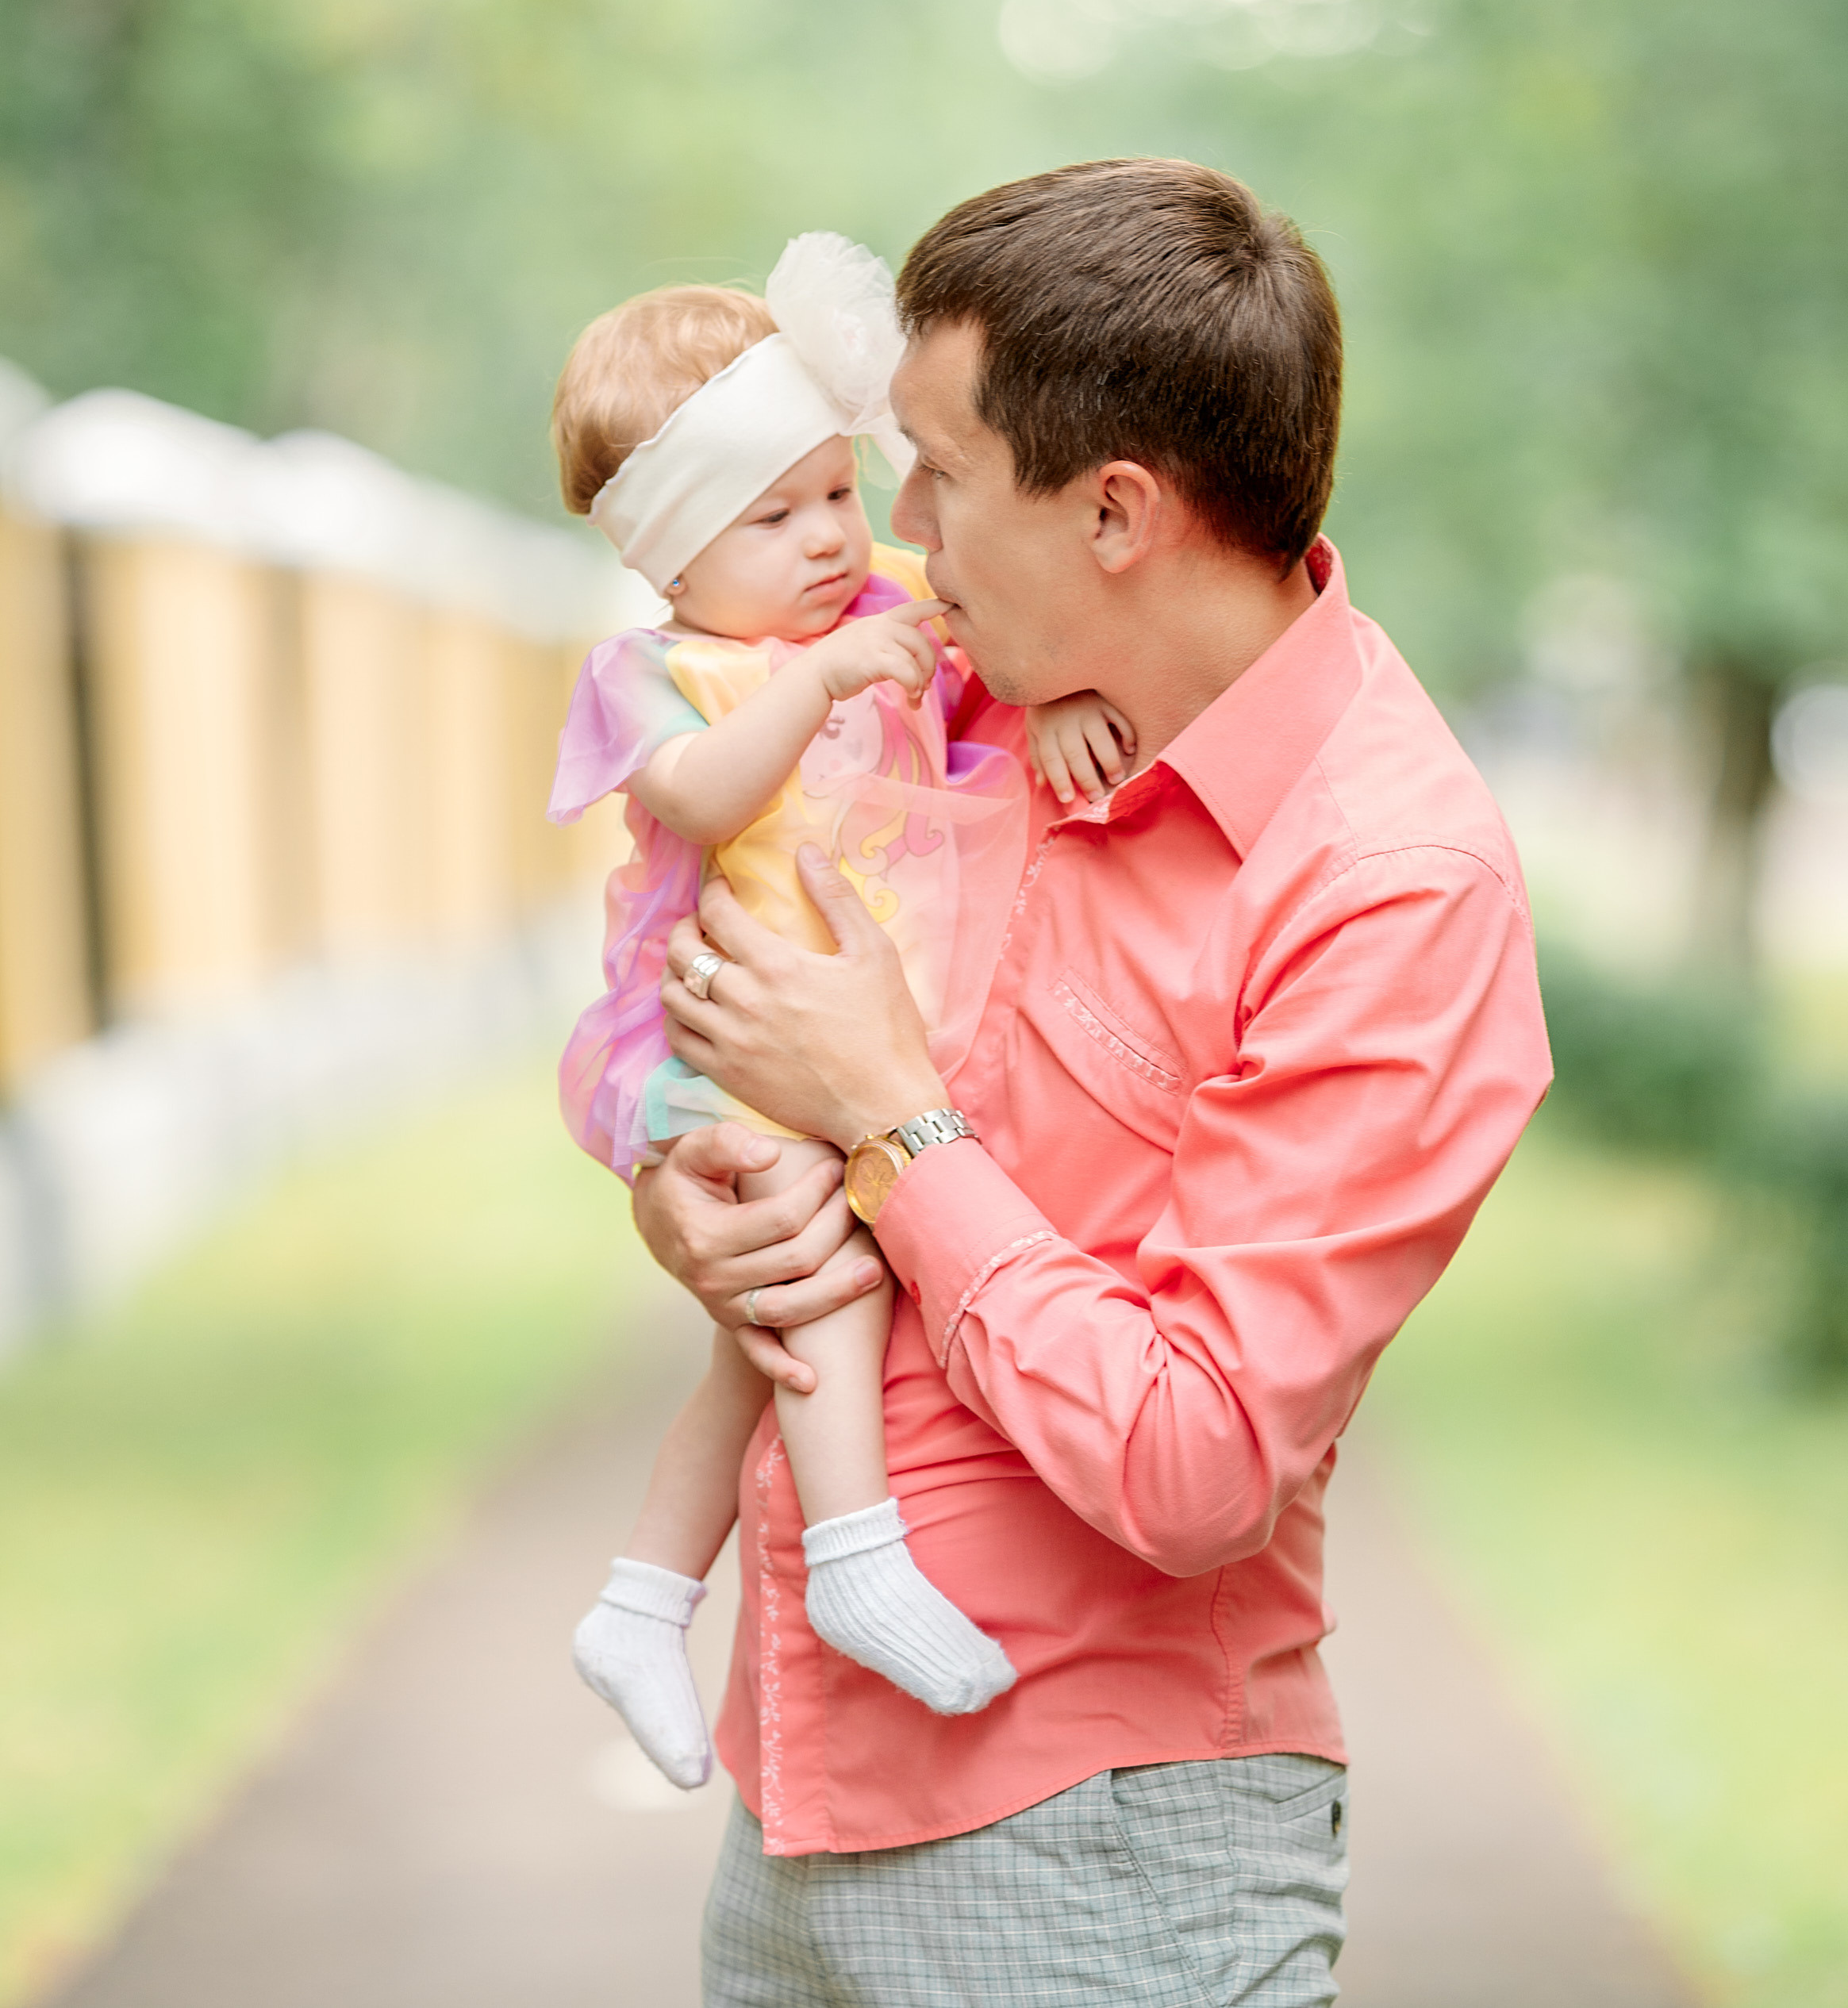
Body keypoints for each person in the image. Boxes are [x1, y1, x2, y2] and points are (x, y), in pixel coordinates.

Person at [632, 159, 1554, 2008]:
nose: (898, 530)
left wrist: (892, 1118)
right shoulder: (955, 688)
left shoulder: (1385, 882)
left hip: (1097, 1857)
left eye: (937, 471)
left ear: (1115, 510)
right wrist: (696, 1205)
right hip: (794, 1787)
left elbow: (1196, 1455)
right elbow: (729, 987)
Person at [546, 231, 1135, 1791]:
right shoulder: (663, 672)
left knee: (755, 1346)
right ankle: (856, 1556)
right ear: (673, 561)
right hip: (731, 1043)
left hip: (845, 1034)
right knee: (826, 1279)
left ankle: (641, 1601)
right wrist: (813, 683)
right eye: (772, 516)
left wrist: (1057, 696)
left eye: (833, 491)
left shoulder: (877, 599)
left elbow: (994, 650)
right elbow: (699, 796)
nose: (828, 537)